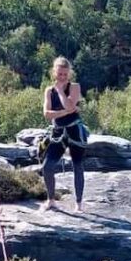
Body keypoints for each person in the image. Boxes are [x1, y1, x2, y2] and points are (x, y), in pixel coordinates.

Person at [41, 57, 87, 212]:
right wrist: (65, 112)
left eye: (65, 74)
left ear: (69, 74)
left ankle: (79, 203)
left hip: (75, 131)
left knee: (77, 165)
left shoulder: (74, 87)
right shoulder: (49, 90)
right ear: (54, 73)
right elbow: (47, 114)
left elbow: (70, 104)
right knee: (47, 166)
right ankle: (51, 200)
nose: (62, 77)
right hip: (58, 132)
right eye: (59, 74)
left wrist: (61, 91)